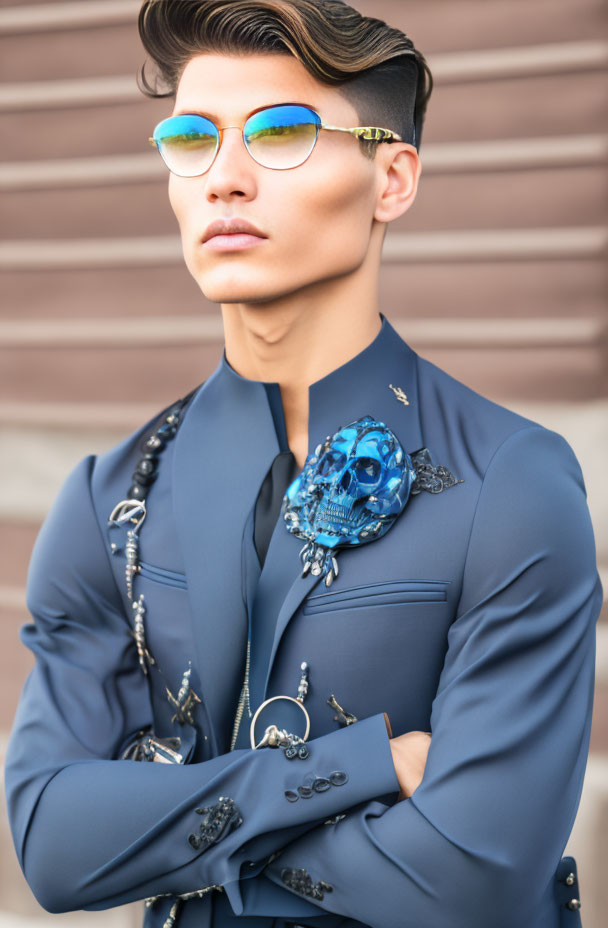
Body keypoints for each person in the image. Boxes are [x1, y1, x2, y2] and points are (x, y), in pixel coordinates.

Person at [3, 2, 601, 927]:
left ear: (391, 177)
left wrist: (164, 833)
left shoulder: (512, 483)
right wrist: (359, 767)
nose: (224, 179)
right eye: (190, 138)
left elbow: (470, 882)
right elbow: (54, 844)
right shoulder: (111, 497)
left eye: (281, 132)